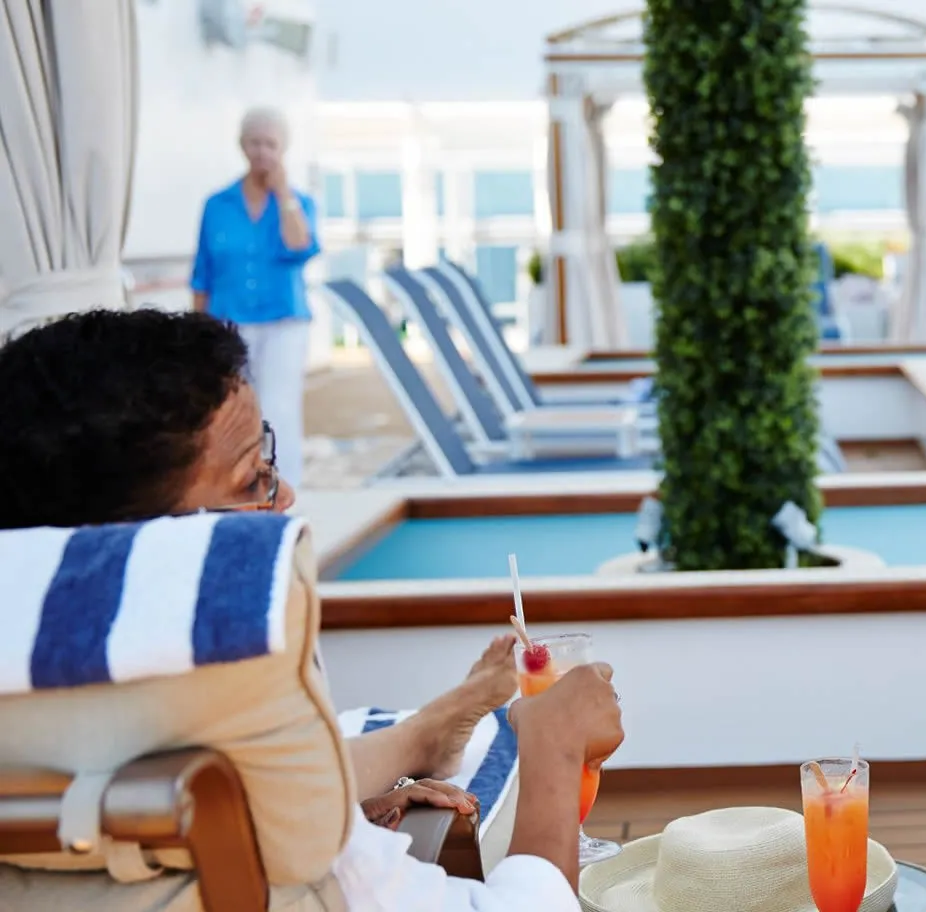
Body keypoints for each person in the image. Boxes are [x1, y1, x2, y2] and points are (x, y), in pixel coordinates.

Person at [0, 309, 615, 906]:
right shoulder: (305, 855)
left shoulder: (47, 729)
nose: (284, 493)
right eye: (252, 479)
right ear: (156, 554)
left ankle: (425, 733)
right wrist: (554, 749)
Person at [190, 106, 320, 490]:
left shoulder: (298, 202)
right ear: (242, 145)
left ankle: (283, 489)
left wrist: (283, 194)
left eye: (271, 144)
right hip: (229, 320)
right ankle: (235, 489)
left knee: (279, 409)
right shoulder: (217, 204)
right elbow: (202, 272)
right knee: (231, 411)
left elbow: (301, 245)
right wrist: (199, 332)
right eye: (255, 142)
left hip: (283, 320)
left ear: (283, 149)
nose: (262, 151)